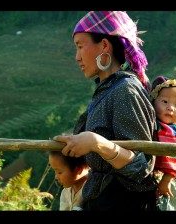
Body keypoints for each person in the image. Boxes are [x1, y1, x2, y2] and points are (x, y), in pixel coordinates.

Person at [54, 11, 158, 211]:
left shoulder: (125, 91)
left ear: (104, 45)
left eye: (80, 46)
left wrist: (96, 143)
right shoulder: (106, 90)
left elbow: (141, 168)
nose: (77, 57)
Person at [149, 75, 176, 210]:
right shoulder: (153, 122)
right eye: (165, 102)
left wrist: (166, 180)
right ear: (153, 102)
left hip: (167, 178)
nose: (170, 108)